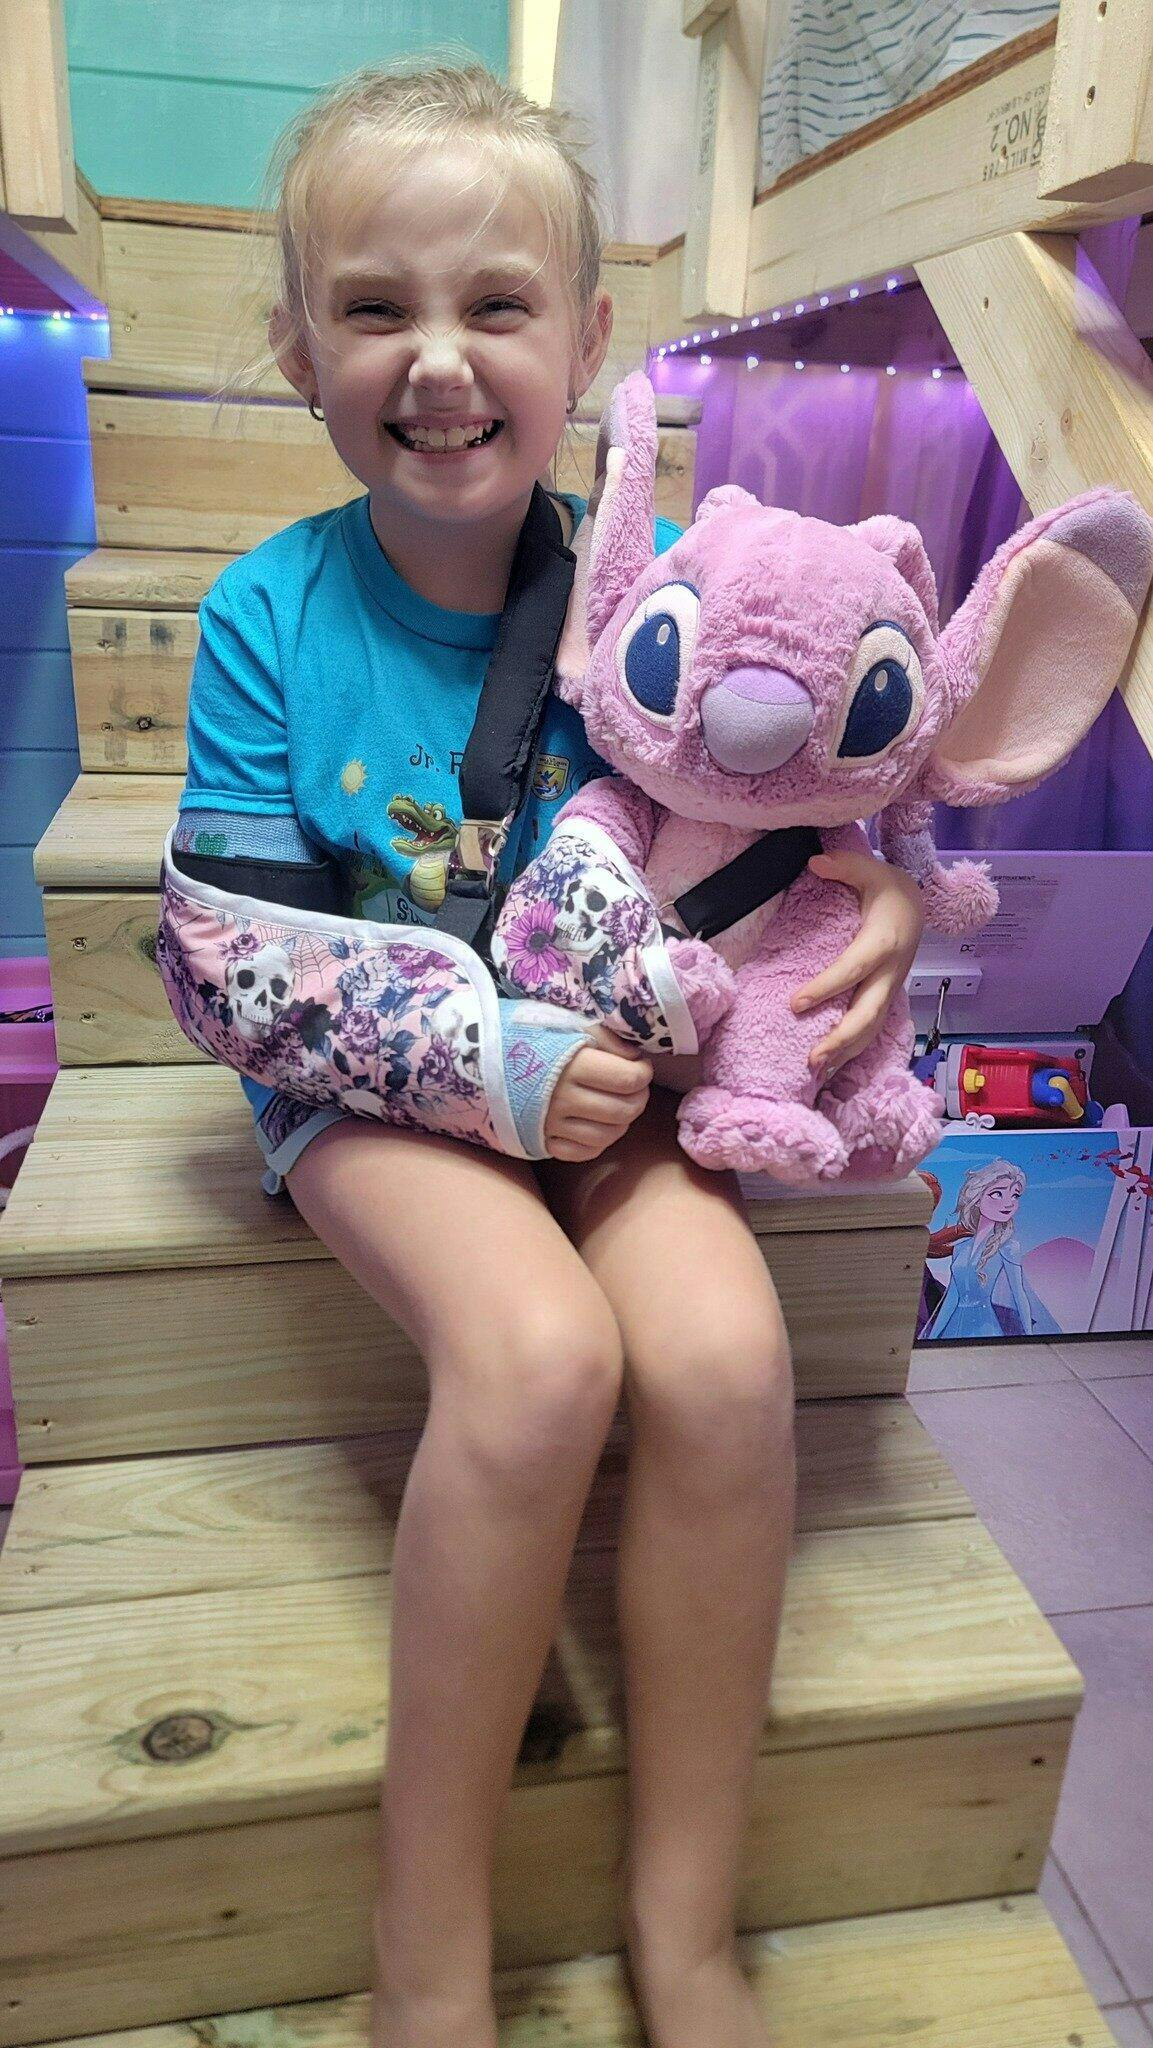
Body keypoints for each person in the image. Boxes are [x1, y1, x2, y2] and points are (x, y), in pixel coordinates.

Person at [174, 62, 927, 2048]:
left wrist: (881, 886)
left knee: (727, 1360)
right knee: (534, 1362)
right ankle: (426, 1952)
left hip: (616, 1078)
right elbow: (223, 964)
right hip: (373, 1094)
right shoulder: (264, 614)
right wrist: (484, 1065)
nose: (437, 360)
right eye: (374, 308)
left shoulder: (648, 594)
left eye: (495, 306)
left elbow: (809, 763)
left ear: (586, 345)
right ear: (298, 350)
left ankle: (684, 1928)